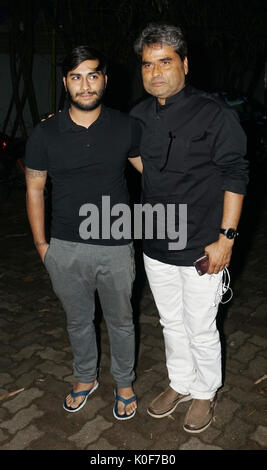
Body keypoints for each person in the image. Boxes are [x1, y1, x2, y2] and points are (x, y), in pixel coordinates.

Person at [129, 24, 249, 433]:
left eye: (165, 62)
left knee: (200, 324)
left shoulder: (215, 114)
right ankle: (179, 382)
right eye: (148, 64)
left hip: (202, 243)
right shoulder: (139, 114)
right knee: (170, 321)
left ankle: (205, 391)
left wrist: (226, 238)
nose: (155, 72)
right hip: (156, 242)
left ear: (184, 63)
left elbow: (235, 174)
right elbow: (134, 155)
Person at [24, 45, 140, 419]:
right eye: (76, 76)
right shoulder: (45, 133)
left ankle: (124, 381)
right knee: (78, 320)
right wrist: (43, 245)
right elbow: (34, 189)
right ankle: (85, 377)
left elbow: (154, 176)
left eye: (93, 75)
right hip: (66, 246)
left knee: (122, 320)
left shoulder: (126, 126)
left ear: (104, 79)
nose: (85, 85)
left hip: (117, 245)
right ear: (65, 82)